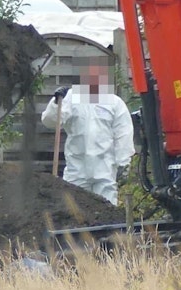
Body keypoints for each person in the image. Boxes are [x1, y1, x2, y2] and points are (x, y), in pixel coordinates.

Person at [41, 62, 134, 204]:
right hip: (77, 168)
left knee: (106, 208)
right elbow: (50, 121)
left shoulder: (114, 103)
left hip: (104, 168)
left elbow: (123, 134)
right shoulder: (71, 98)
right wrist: (55, 102)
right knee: (73, 208)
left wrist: (123, 162)